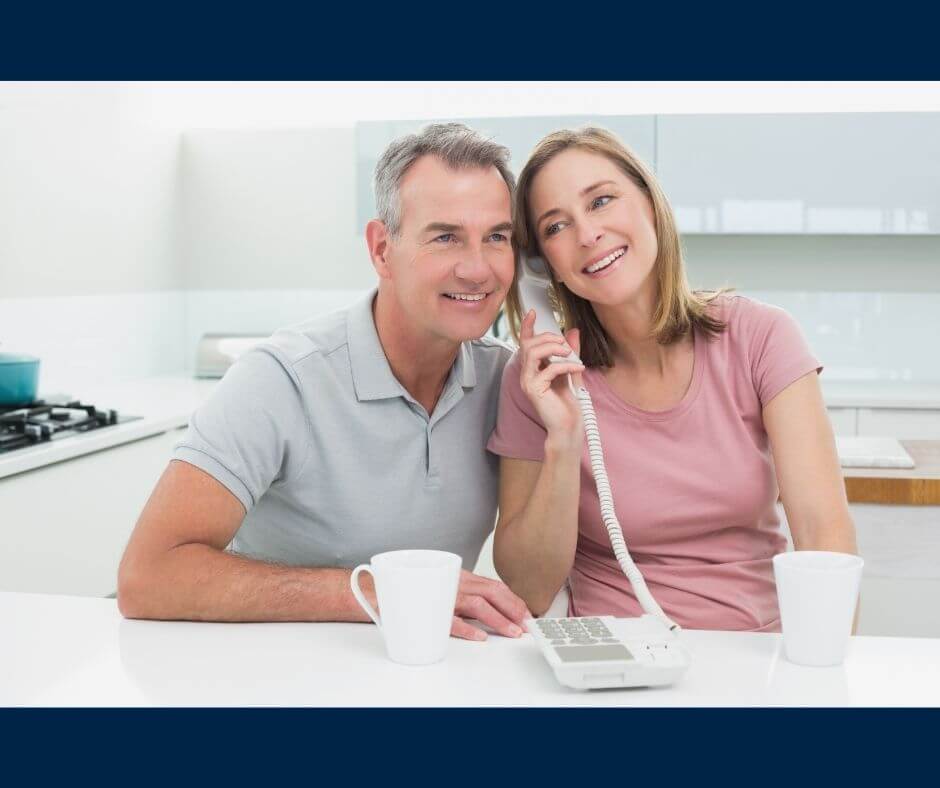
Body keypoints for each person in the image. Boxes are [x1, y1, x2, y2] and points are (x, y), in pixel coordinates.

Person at [118, 123, 530, 641]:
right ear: (382, 249)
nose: (477, 269)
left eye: (497, 237)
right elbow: (148, 576)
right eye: (445, 237)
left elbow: (537, 579)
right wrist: (370, 592)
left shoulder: (505, 381)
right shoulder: (280, 379)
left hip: (422, 673)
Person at [487, 127, 858, 631]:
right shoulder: (538, 379)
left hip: (757, 657)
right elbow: (530, 590)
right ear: (540, 264)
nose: (587, 234)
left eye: (601, 201)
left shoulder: (762, 338)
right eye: (555, 227)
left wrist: (823, 679)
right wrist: (565, 438)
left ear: (649, 200)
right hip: (612, 666)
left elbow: (824, 536)